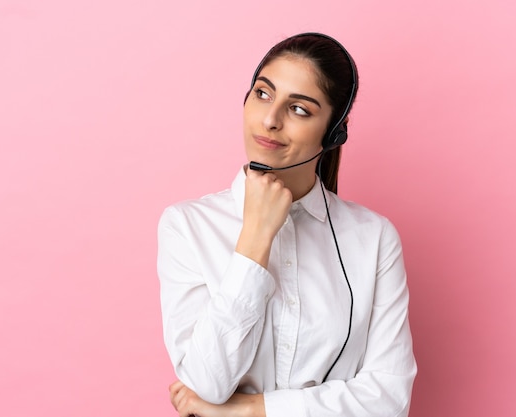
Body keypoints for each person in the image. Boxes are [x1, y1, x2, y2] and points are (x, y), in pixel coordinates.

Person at [157, 32, 417, 417]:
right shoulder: (187, 226)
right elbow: (207, 383)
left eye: (299, 109)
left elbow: (389, 398)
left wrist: (246, 411)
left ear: (333, 133)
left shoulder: (374, 238)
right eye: (263, 94)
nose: (270, 120)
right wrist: (255, 239)